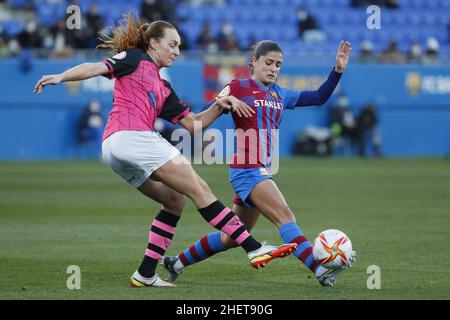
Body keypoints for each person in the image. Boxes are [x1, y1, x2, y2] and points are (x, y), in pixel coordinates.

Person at [33, 14, 297, 288]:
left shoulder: (163, 87)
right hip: (132, 136)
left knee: (174, 201)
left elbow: (194, 124)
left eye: (179, 46)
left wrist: (221, 104)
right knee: (200, 189)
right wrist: (61, 76)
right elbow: (94, 68)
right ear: (153, 43)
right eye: (172, 44)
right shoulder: (135, 58)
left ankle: (146, 273)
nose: (177, 51)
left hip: (114, 149)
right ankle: (254, 248)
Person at [162, 40, 357, 287]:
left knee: (231, 237)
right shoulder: (237, 87)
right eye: (269, 63)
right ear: (253, 62)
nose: (274, 69)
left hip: (260, 169)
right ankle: (319, 270)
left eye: (278, 65)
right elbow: (200, 117)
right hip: (247, 169)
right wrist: (224, 102)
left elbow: (318, 97)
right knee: (285, 216)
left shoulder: (280, 93)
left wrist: (337, 70)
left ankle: (176, 262)